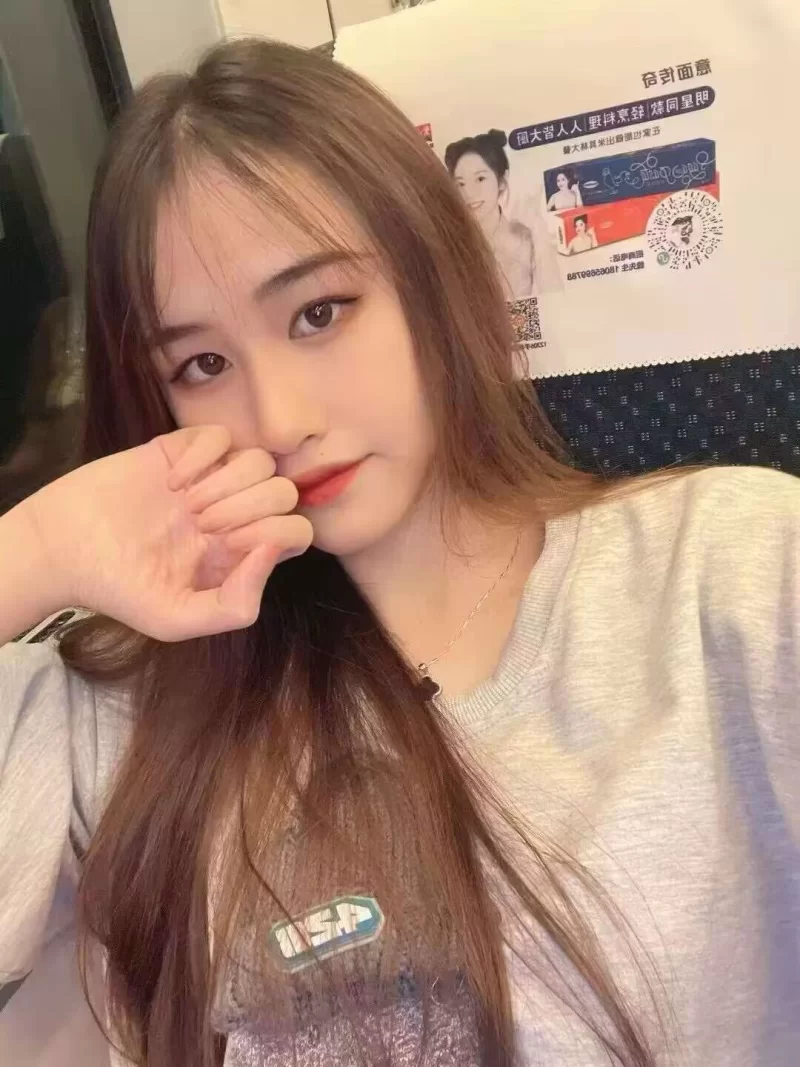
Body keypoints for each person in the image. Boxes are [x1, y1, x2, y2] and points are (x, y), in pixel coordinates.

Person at [0, 38, 798, 1067]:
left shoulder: (728, 572)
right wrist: (36, 547)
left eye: (318, 313)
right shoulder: (132, 704)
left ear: (433, 275)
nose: (277, 418)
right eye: (201, 364)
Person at [445, 130, 536, 300]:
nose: (469, 193)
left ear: (501, 181)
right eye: (460, 184)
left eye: (480, 179)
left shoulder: (526, 238)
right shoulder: (450, 248)